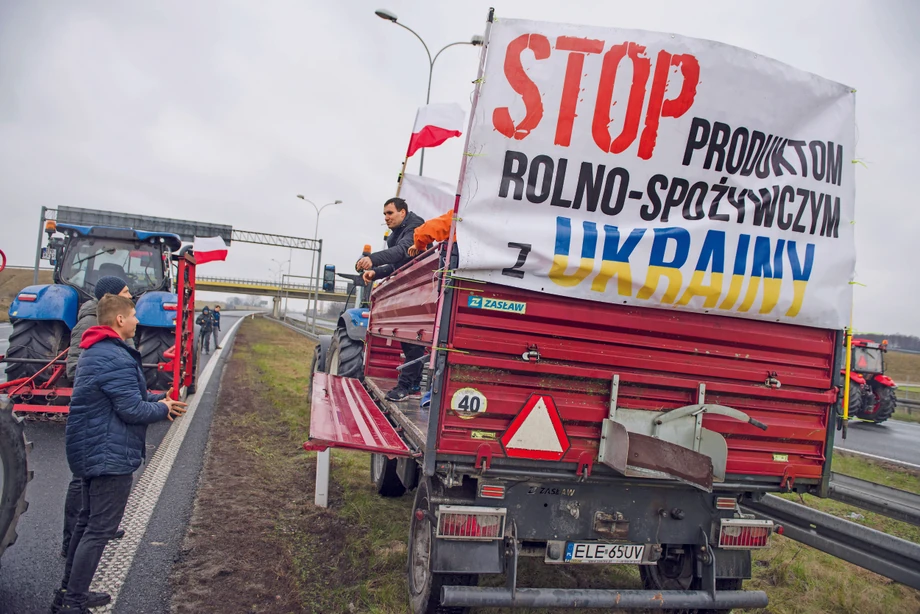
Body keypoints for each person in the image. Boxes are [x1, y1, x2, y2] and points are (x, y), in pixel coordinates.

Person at [53, 294, 187, 613]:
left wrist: (159, 398)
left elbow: (126, 394)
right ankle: (73, 603)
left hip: (92, 447)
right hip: (107, 454)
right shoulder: (115, 355)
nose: (138, 321)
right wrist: (162, 408)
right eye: (134, 315)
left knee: (87, 524)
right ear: (120, 320)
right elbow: (130, 409)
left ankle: (68, 592)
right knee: (98, 530)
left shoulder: (98, 350)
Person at [62, 276, 134, 558]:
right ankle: (71, 541)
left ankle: (100, 525)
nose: (132, 296)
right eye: (127, 292)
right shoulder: (90, 324)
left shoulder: (114, 322)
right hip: (93, 413)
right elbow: (75, 368)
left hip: (106, 412)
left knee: (99, 477)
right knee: (82, 480)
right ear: (112, 297)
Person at [355, 197, 425, 401]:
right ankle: (411, 385)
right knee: (408, 339)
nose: (386, 217)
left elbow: (403, 251)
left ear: (402, 212)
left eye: (390, 213)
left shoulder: (415, 225)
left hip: (422, 288)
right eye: (384, 214)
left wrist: (373, 259)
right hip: (409, 289)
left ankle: (407, 386)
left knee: (414, 339)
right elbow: (396, 266)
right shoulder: (394, 236)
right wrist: (375, 272)